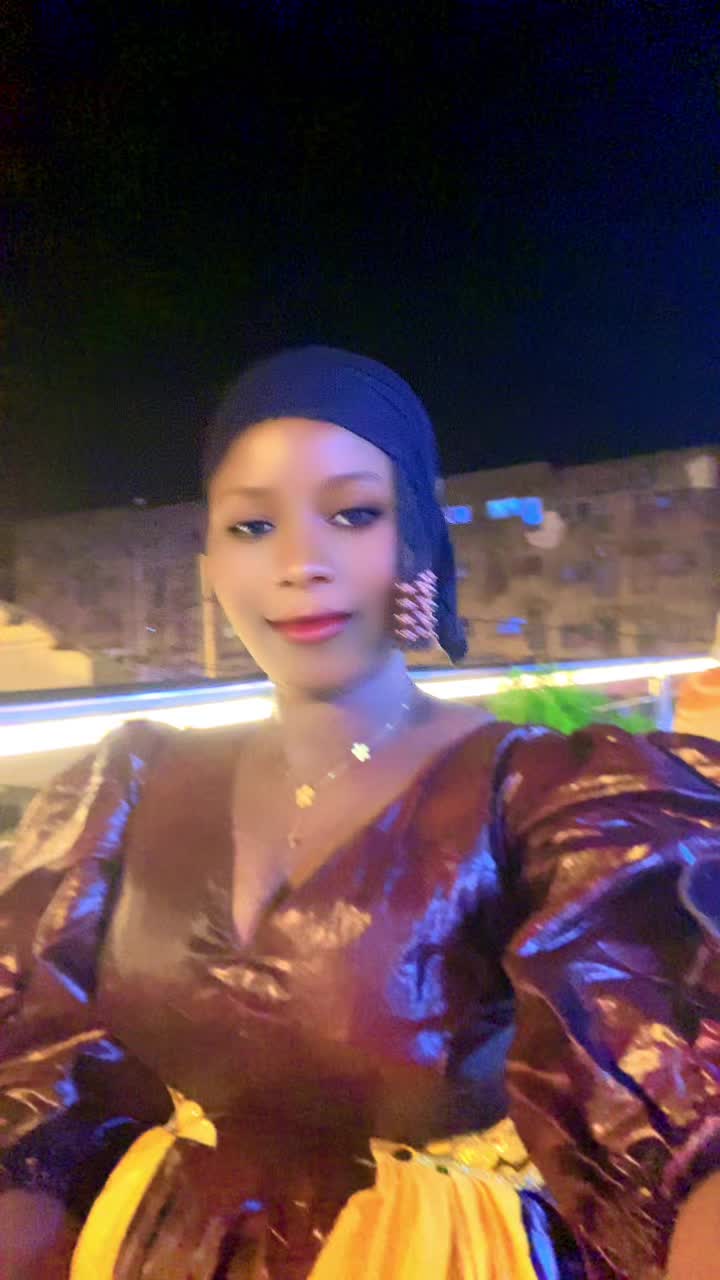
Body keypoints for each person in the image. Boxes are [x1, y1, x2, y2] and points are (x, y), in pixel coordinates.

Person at [0, 346, 719, 1280]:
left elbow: (665, 1101)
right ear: (211, 561)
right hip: (155, 1248)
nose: (300, 563)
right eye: (252, 525)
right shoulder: (125, 784)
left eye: (352, 514)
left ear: (414, 543)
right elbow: (34, 1074)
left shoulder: (538, 792)